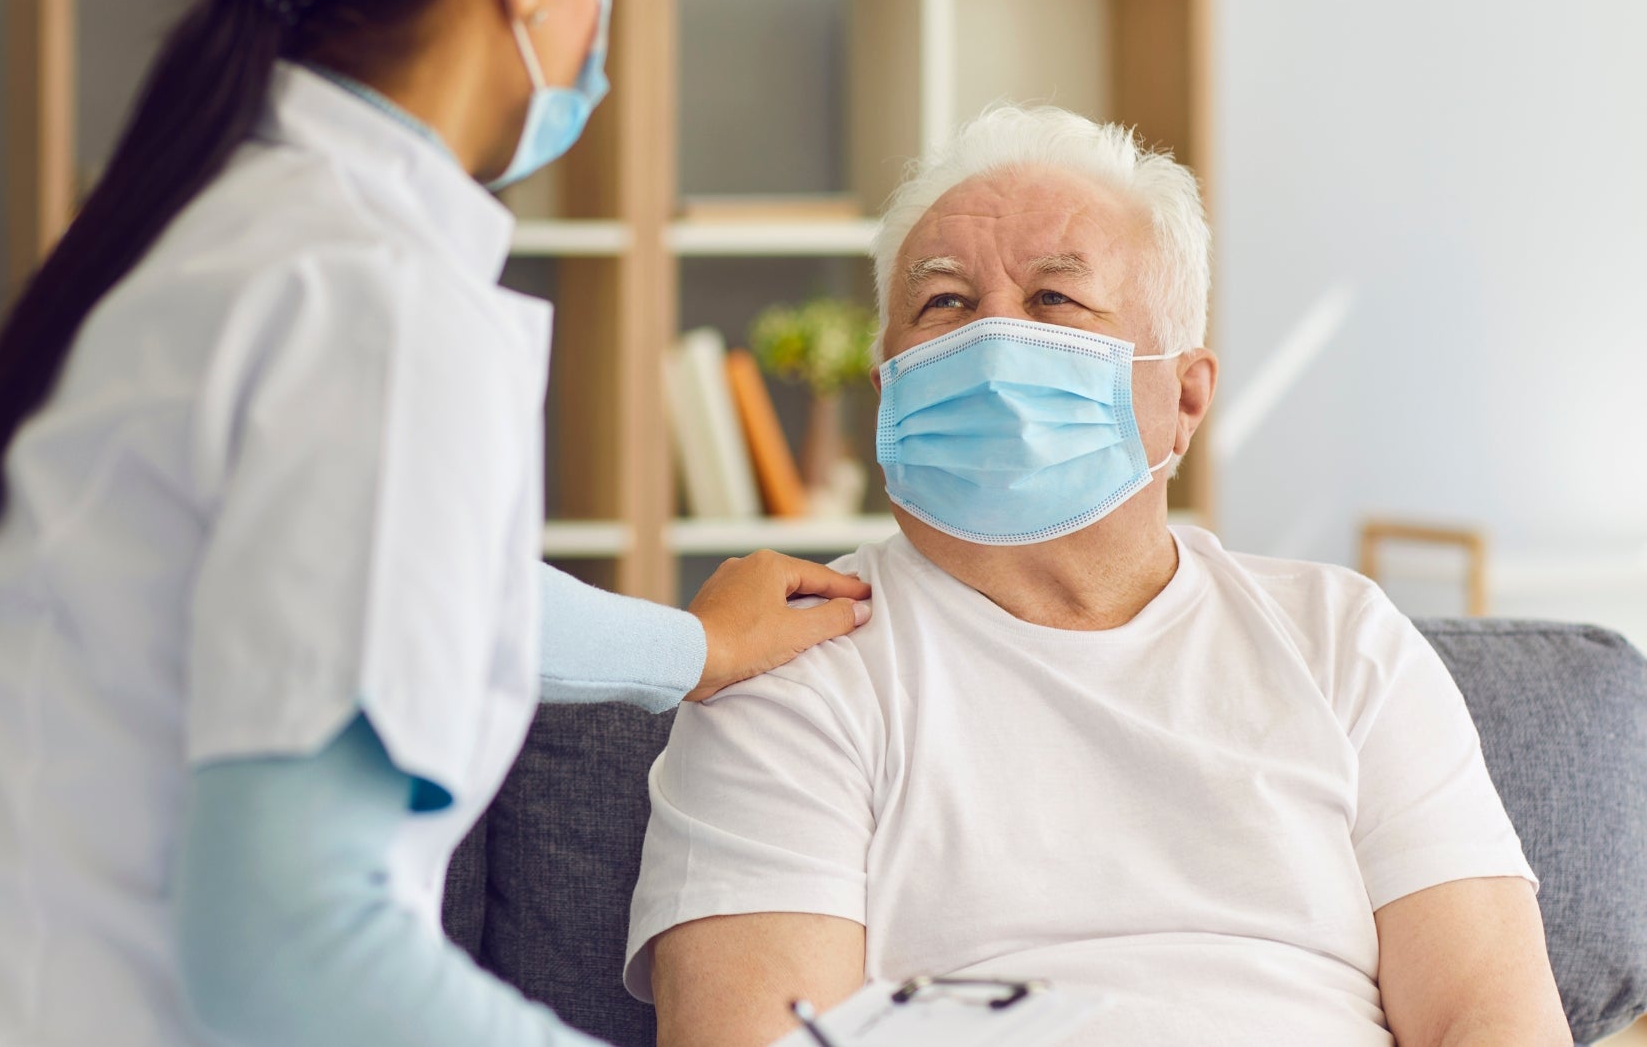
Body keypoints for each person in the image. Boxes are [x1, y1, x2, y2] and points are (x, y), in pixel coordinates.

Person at [0, 0, 871, 1046]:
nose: (600, 8)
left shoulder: (192, 243)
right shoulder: (375, 306)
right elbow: (296, 957)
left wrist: (688, 650)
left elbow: (383, 590)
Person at [625, 106, 1571, 1047]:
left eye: (1054, 302)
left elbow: (1486, 1016)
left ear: (1185, 397)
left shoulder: (1342, 638)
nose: (990, 349)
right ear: (887, 391)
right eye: (943, 304)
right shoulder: (791, 662)